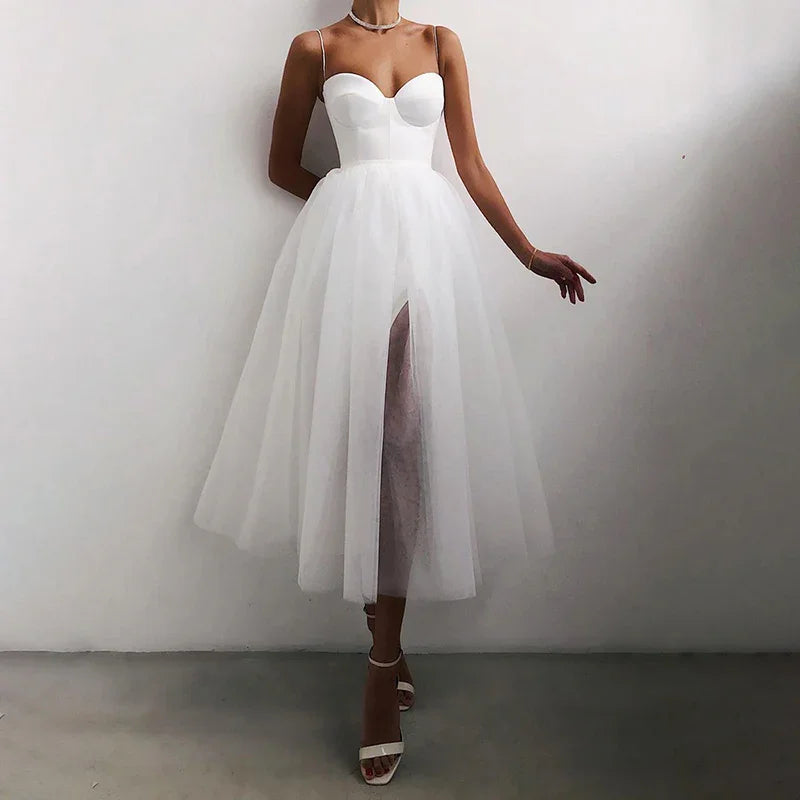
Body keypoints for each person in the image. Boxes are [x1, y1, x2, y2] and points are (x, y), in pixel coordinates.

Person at [193, 1, 596, 786]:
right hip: (348, 254)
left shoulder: (441, 42)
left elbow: (469, 163)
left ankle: (382, 665)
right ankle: (387, 635)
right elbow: (281, 166)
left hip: (426, 250)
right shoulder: (314, 47)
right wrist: (352, 213)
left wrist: (528, 254)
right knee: (359, 438)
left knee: (404, 438)